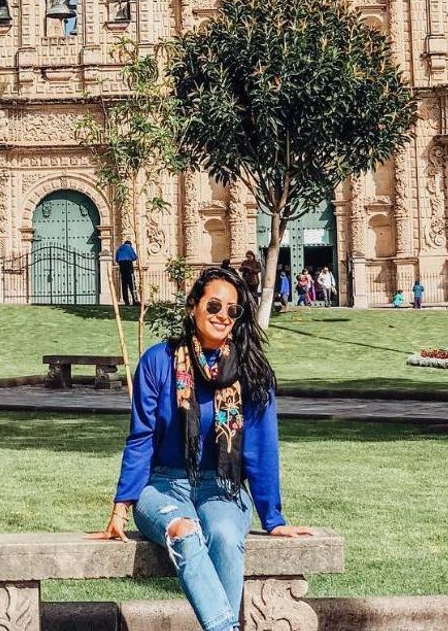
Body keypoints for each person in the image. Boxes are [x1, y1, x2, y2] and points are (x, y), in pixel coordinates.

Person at [95, 266, 312, 631]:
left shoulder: (251, 370)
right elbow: (142, 437)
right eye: (214, 306)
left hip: (222, 488)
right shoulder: (158, 362)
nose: (223, 316)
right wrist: (121, 509)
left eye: (233, 310)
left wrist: (273, 519)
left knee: (226, 537)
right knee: (184, 531)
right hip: (164, 486)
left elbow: (261, 447)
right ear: (193, 306)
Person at [114, 239, 139, 306]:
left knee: (124, 285)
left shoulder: (119, 249)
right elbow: (134, 257)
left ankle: (126, 301)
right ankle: (135, 300)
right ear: (130, 244)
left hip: (121, 266)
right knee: (132, 284)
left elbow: (116, 259)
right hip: (128, 265)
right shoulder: (129, 248)